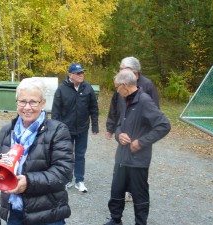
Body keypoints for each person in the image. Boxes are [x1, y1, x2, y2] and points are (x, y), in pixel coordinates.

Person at [0, 77, 74, 225]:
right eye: (22, 101)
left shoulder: (58, 130)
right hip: (14, 211)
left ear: (43, 103)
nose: (27, 107)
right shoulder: (8, 130)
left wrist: (28, 182)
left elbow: (63, 172)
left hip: (47, 213)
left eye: (33, 102)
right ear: (17, 103)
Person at [104, 69, 171, 225]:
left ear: (124, 86)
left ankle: (140, 223)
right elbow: (120, 124)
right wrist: (118, 134)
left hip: (138, 160)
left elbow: (164, 125)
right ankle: (115, 220)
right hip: (122, 157)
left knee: (140, 195)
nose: (116, 90)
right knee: (116, 190)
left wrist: (141, 142)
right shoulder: (124, 99)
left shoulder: (144, 101)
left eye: (116, 87)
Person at [105, 56, 159, 202]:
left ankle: (135, 194)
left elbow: (156, 115)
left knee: (138, 176)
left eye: (122, 69)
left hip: (140, 139)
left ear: (133, 72)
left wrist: (143, 139)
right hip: (123, 135)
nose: (119, 71)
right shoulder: (120, 86)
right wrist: (112, 128)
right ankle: (120, 203)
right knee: (120, 173)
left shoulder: (147, 86)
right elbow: (115, 106)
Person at [51, 63, 99, 193]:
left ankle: (79, 181)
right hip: (66, 130)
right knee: (66, 155)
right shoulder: (61, 89)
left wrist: (95, 125)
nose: (81, 75)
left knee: (80, 155)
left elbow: (93, 108)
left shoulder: (87, 88)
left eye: (82, 72)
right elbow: (56, 111)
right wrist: (55, 129)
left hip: (82, 128)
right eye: (78, 73)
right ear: (70, 75)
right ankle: (67, 180)